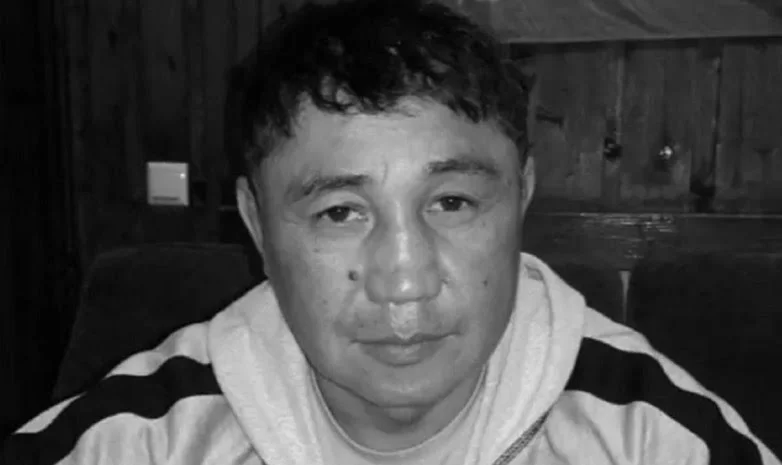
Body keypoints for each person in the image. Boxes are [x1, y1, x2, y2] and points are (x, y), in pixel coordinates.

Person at [3, 0, 780, 463]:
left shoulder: (659, 438)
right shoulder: (135, 440)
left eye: (452, 202)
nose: (405, 278)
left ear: (521, 197)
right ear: (257, 224)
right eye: (340, 211)